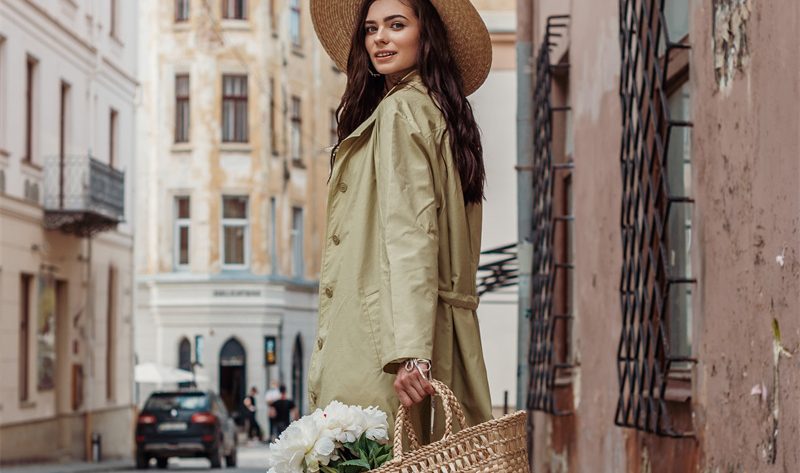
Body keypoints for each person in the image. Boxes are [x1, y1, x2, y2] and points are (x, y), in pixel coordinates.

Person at [308, 0, 493, 442]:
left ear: (425, 34)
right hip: (441, 336)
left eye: (396, 25)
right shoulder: (442, 113)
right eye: (371, 29)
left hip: (382, 345)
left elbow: (411, 234)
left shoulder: (400, 112)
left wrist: (410, 353)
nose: (380, 38)